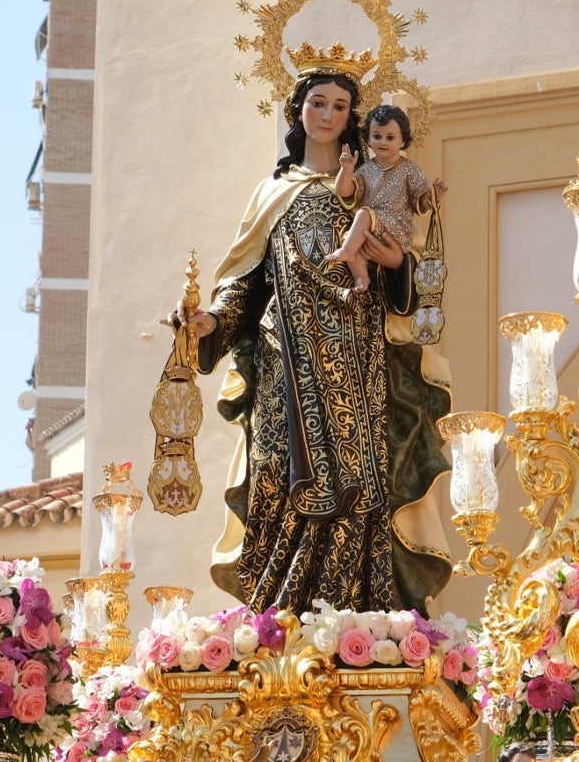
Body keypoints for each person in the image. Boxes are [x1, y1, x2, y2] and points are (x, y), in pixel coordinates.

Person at [178, 53, 453, 615]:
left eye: (341, 106)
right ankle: (276, 619)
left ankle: (361, 623)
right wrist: (209, 323)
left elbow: (411, 282)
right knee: (277, 473)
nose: (328, 115)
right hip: (285, 359)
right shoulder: (272, 196)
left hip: (360, 361)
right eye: (318, 103)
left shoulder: (372, 188)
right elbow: (244, 286)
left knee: (359, 485)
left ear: (354, 118)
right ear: (297, 110)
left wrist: (395, 262)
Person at [325, 104, 447, 292]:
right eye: (377, 136)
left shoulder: (409, 169)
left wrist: (432, 196)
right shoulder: (366, 170)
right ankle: (361, 278)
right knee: (348, 237)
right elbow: (344, 191)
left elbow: (420, 200)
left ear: (402, 140)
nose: (383, 142)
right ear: (368, 138)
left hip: (397, 227)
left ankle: (347, 252)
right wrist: (347, 170)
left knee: (363, 216)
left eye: (390, 137)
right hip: (372, 227)